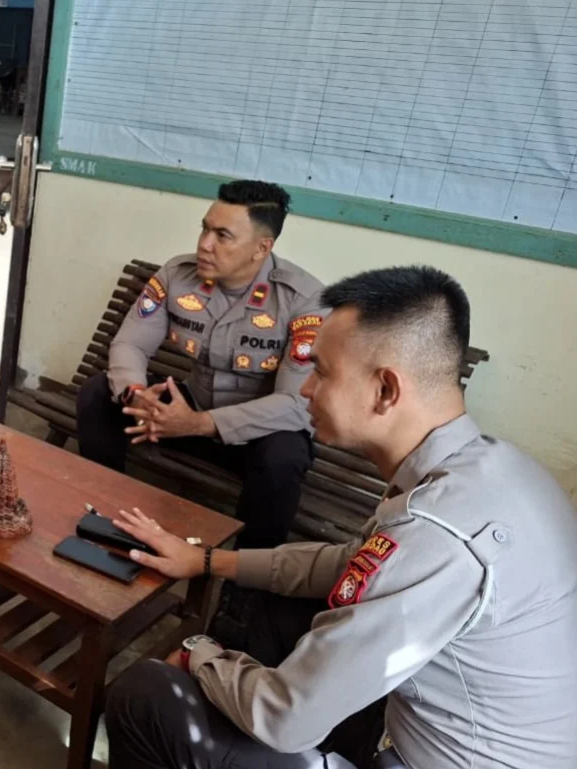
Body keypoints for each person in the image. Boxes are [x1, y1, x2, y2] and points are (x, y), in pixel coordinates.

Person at [103, 266, 577, 768]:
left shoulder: (439, 535)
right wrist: (206, 561)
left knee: (147, 694)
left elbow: (285, 720)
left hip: (421, 758)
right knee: (274, 609)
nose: (307, 389)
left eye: (323, 372)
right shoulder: (491, 468)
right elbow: (349, 564)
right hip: (435, 721)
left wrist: (199, 655)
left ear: (385, 390)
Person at [78, 180, 327, 551]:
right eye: (205, 229)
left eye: (222, 236)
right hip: (190, 410)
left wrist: (197, 423)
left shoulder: (303, 301)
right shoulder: (177, 275)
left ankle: (246, 572)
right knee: (100, 393)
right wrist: (138, 394)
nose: (205, 244)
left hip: (253, 436)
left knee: (284, 457)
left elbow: (295, 404)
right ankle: (102, 519)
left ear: (262, 248)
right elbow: (131, 343)